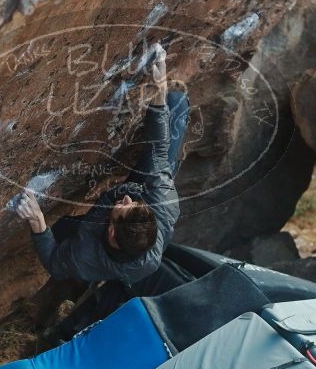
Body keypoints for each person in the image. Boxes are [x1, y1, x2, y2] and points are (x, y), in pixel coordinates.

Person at [16, 43, 188, 337]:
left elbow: (55, 264)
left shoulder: (86, 254)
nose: (125, 199)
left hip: (109, 253)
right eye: (131, 204)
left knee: (62, 227)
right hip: (145, 187)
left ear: (109, 231)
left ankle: (87, 292)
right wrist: (158, 89)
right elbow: (158, 149)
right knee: (176, 101)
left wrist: (37, 221)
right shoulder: (161, 203)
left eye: (123, 207)